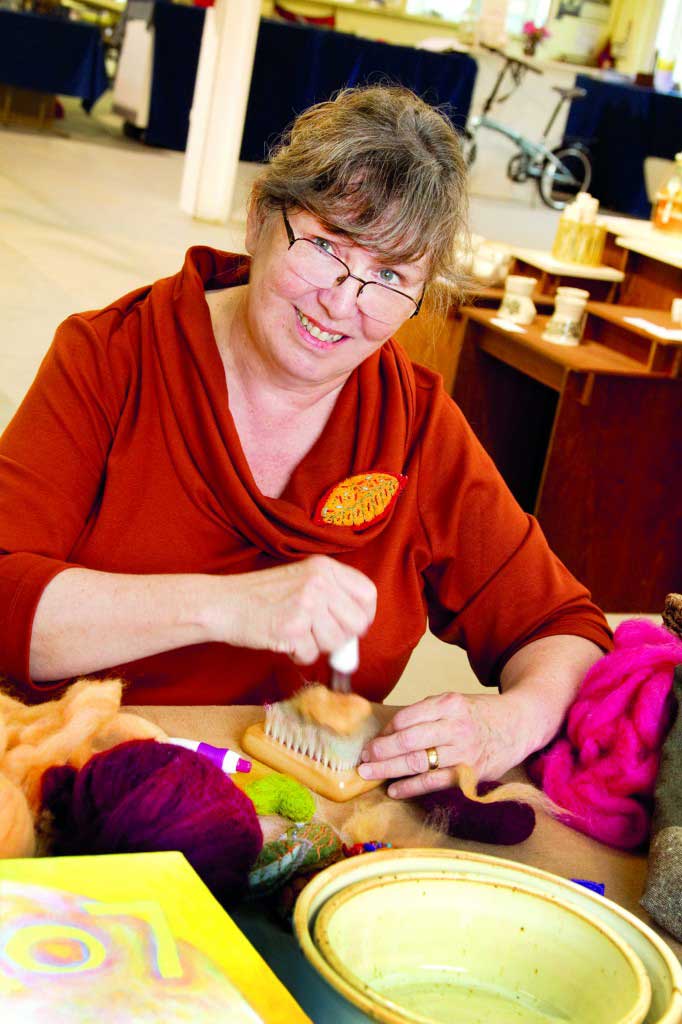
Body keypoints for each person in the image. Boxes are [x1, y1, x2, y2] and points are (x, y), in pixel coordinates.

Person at [0, 86, 611, 798]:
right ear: (260, 217)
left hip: (299, 812)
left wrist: (511, 722)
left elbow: (564, 627)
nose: (343, 303)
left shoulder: (412, 425)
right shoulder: (112, 359)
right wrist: (229, 606)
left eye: (389, 275)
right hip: (82, 781)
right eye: (325, 246)